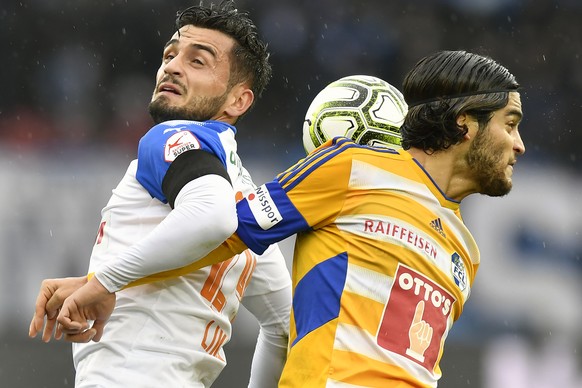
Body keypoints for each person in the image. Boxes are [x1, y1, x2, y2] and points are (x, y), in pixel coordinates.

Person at [32, 49, 525, 387]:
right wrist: (102, 281)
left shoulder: (467, 249)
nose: (519, 145)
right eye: (510, 125)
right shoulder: (351, 167)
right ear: (464, 124)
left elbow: (285, 322)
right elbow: (225, 232)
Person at [29, 2, 292, 387]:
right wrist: (99, 279)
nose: (171, 66)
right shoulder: (245, 199)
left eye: (198, 61)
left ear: (238, 101)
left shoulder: (169, 137)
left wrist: (104, 282)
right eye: (170, 54)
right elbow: (285, 327)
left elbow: (211, 216)